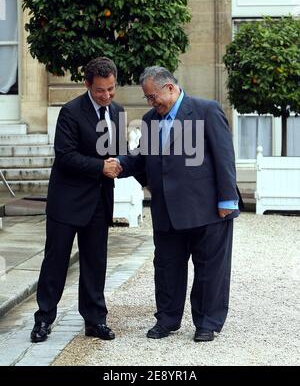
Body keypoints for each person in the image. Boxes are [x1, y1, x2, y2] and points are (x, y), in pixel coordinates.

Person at [116, 66, 240, 342]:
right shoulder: (150, 120)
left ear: (169, 88)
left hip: (207, 209)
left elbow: (224, 157)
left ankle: (207, 322)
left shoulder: (206, 110)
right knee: (166, 268)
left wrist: (227, 200)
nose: (150, 103)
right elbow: (141, 158)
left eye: (152, 97)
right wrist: (118, 164)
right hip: (166, 212)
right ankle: (167, 321)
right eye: (148, 98)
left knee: (210, 269)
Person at [30, 57, 123, 343]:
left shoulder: (117, 112)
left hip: (99, 202)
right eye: (100, 91)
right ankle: (44, 319)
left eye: (111, 89)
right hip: (66, 202)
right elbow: (66, 155)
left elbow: (117, 155)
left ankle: (95, 321)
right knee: (56, 262)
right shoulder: (70, 112)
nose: (106, 96)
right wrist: (101, 167)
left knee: (96, 263)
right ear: (87, 85)